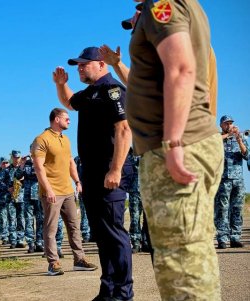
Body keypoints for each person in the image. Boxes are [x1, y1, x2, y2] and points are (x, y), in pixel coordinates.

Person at [126, 1, 224, 299]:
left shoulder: (162, 3)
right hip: (184, 143)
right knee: (189, 258)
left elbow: (181, 68)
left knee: (182, 267)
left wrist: (173, 143)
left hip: (177, 146)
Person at [53, 47, 134, 300]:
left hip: (110, 170)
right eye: (78, 65)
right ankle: (107, 290)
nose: (80, 68)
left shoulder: (113, 90)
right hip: (92, 172)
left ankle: (123, 293)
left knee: (114, 233)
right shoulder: (90, 93)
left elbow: (124, 129)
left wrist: (116, 169)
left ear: (101, 65)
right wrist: (60, 84)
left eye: (84, 64)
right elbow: (68, 103)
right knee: (101, 235)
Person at [31, 108, 97, 276]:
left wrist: (77, 181)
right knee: (51, 228)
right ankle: (53, 263)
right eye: (66, 118)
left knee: (74, 226)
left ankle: (79, 260)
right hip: (51, 192)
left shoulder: (65, 139)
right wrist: (48, 189)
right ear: (56, 119)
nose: (69, 121)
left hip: (67, 191)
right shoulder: (41, 139)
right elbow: (39, 168)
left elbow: (70, 163)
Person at [215, 115, 248, 249]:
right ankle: (222, 239)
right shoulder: (217, 138)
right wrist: (227, 135)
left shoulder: (239, 138)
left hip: (238, 180)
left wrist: (239, 140)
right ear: (221, 125)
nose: (229, 125)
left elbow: (247, 155)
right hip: (223, 180)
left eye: (230, 123)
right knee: (222, 210)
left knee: (237, 209)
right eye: (226, 123)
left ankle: (235, 238)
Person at [14, 154, 44, 253]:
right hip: (27, 196)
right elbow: (17, 176)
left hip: (39, 195)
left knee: (40, 219)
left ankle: (39, 242)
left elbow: (42, 173)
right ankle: (30, 243)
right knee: (28, 219)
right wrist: (21, 164)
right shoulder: (25, 163)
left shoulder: (42, 161)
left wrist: (35, 161)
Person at [73, 156, 91, 243]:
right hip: (82, 189)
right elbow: (73, 171)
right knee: (84, 213)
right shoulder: (77, 159)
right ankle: (85, 234)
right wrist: (77, 184)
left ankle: (94, 233)